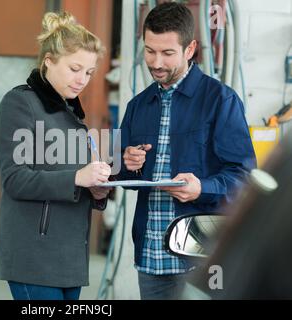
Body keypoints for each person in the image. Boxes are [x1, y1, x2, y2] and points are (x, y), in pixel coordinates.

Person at [118, 2, 256, 300]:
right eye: (150, 51)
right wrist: (127, 164)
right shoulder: (137, 106)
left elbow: (244, 178)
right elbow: (121, 174)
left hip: (202, 258)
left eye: (167, 53)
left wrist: (201, 188)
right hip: (151, 258)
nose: (156, 62)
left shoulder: (220, 100)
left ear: (190, 48)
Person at [0, 12, 112, 300]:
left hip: (70, 257)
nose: (82, 79)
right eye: (74, 68)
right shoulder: (20, 103)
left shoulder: (73, 114)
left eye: (88, 72)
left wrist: (96, 190)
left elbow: (74, 181)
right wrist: (77, 177)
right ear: (48, 61)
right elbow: (15, 179)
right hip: (34, 258)